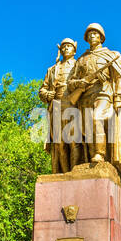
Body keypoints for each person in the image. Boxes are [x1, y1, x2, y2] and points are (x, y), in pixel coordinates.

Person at [66, 23, 121, 182]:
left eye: (95, 33)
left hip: (104, 94)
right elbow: (71, 82)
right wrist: (80, 83)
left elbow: (120, 78)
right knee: (87, 129)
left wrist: (118, 96)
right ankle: (91, 159)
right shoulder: (81, 59)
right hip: (85, 97)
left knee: (96, 119)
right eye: (89, 34)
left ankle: (100, 154)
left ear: (101, 37)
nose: (92, 36)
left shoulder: (111, 55)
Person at [38, 38, 82, 174]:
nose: (66, 48)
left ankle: (74, 173)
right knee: (60, 144)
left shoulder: (80, 65)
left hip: (74, 105)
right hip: (56, 106)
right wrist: (47, 94)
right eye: (63, 47)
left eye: (69, 46)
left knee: (74, 141)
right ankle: (63, 174)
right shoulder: (52, 69)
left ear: (74, 50)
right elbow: (42, 89)